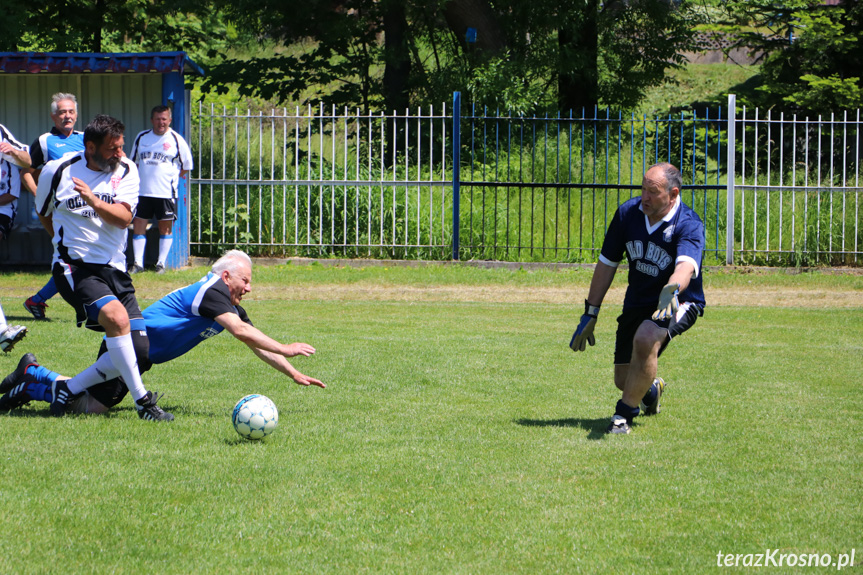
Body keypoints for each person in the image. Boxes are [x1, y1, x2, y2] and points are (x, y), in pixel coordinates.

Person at [1, 250, 325, 415]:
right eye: (246, 281)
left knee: (88, 401)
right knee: (88, 407)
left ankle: (32, 372)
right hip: (127, 345)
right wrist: (286, 347)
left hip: (140, 355)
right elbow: (241, 333)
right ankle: (32, 379)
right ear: (227, 276)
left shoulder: (227, 303)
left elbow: (255, 342)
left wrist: (292, 373)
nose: (250, 288)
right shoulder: (213, 292)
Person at [34, 113, 171, 421]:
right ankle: (144, 403)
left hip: (114, 270)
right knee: (116, 318)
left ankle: (68, 387)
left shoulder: (127, 169)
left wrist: (94, 201)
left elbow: (124, 218)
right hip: (75, 267)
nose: (119, 153)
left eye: (121, 146)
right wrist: (60, 243)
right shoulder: (58, 170)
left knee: (139, 350)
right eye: (112, 148)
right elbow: (43, 212)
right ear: (91, 146)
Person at [569, 162, 705, 435]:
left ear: (673, 194)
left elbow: (686, 266)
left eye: (652, 192)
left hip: (678, 301)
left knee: (646, 337)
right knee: (624, 378)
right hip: (636, 301)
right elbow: (606, 264)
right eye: (643, 188)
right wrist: (590, 312)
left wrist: (672, 289)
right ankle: (651, 391)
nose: (644, 196)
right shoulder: (628, 214)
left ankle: (622, 417)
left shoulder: (688, 224)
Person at [21, 93, 86, 320]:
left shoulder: (86, 139)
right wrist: (40, 196)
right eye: (61, 112)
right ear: (53, 115)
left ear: (76, 114)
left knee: (75, 259)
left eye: (70, 112)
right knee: (70, 258)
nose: (66, 116)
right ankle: (83, 306)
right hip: (57, 212)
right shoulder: (45, 141)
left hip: (82, 210)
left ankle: (37, 300)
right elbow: (26, 172)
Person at [128, 105, 193, 274]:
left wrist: (169, 179)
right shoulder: (142, 137)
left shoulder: (176, 139)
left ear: (169, 120)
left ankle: (161, 264)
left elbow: (186, 166)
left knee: (165, 228)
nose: (160, 122)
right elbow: (133, 163)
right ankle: (138, 264)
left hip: (165, 193)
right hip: (142, 192)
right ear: (152, 120)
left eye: (164, 119)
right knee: (139, 225)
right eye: (157, 119)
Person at [0, 123, 31, 352]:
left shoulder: (2, 134)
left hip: (3, 211)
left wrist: (12, 152)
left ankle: (2, 330)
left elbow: (28, 158)